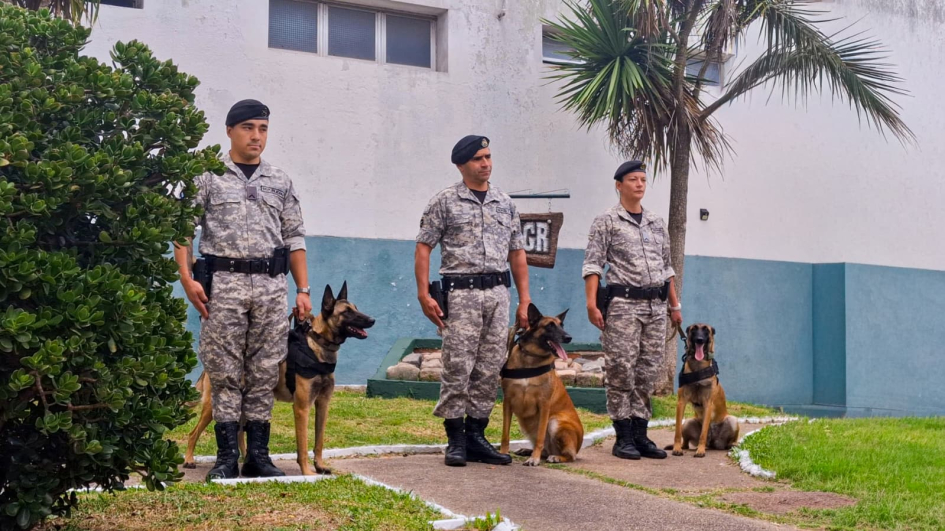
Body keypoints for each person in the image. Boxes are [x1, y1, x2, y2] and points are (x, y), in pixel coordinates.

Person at [173, 99, 312, 480]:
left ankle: (259, 457)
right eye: (248, 127)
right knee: (224, 371)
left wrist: (303, 288)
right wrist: (186, 277)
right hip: (223, 285)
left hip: (270, 287)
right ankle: (225, 458)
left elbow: (294, 237)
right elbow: (183, 230)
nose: (256, 136)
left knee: (265, 370)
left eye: (263, 128)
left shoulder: (280, 181)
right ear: (230, 130)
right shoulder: (207, 176)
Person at [414, 135, 531, 467]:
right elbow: (424, 247)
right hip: (461, 294)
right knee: (458, 366)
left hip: (497, 293)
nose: (486, 163)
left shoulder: (504, 203)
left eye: (489, 156)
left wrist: (525, 300)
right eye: (479, 158)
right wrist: (424, 293)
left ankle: (477, 435)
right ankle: (456, 439)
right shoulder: (445, 202)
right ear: (461, 164)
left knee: (489, 366)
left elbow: (517, 253)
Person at [581, 160, 683, 460]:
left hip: (655, 306)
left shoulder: (655, 222)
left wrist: (674, 305)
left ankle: (640, 434)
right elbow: (593, 264)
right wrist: (591, 303)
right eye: (633, 179)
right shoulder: (606, 221)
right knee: (621, 369)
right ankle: (622, 436)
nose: (639, 184)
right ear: (619, 185)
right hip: (623, 306)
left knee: (647, 370)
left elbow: (667, 268)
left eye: (642, 179)